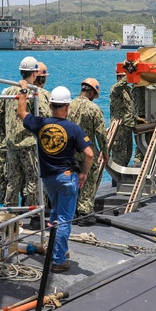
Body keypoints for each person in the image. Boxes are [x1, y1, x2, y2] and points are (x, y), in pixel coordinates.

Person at [16, 83, 94, 273]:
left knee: (55, 214)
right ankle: (59, 260)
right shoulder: (73, 128)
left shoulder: (40, 124)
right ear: (67, 107)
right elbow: (90, 154)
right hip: (67, 178)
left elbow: (21, 112)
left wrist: (24, 91)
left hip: (49, 179)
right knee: (64, 220)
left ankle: (58, 250)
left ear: (51, 105)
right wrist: (83, 173)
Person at [0, 56, 50, 207]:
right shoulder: (35, 92)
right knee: (33, 180)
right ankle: (34, 217)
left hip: (10, 144)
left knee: (12, 181)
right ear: (34, 74)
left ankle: (9, 215)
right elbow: (46, 114)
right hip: (28, 144)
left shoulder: (9, 90)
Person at [68, 78, 108, 225]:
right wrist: (105, 151)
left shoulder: (69, 105)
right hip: (87, 151)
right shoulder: (94, 109)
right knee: (89, 179)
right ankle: (84, 213)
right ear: (91, 92)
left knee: (73, 180)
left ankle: (72, 212)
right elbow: (101, 134)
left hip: (70, 151)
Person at [109, 71, 137, 168]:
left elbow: (130, 107)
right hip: (119, 127)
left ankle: (123, 175)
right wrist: (130, 73)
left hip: (128, 126)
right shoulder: (115, 89)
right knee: (119, 155)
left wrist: (137, 118)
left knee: (128, 154)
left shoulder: (128, 90)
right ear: (120, 77)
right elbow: (119, 86)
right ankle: (116, 181)